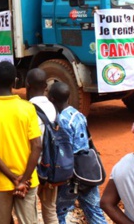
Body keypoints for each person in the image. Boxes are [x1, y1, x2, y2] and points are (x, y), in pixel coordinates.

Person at [0, 61, 41, 224]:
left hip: (1, 182)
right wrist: (23, 180)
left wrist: (13, 179)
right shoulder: (28, 108)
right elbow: (37, 146)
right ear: (15, 81)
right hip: (27, 183)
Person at [48, 82, 107, 224]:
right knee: (94, 211)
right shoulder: (77, 113)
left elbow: (64, 152)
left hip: (71, 174)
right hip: (88, 170)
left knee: (59, 213)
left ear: (52, 99)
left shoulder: (60, 120)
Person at [25, 68, 58, 224]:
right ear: (46, 86)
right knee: (50, 209)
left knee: (30, 209)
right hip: (52, 166)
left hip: (33, 167)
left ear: (27, 85)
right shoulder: (53, 107)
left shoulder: (26, 109)